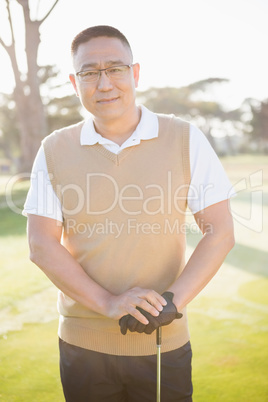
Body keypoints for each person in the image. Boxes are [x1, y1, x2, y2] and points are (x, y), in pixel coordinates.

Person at [23, 25, 235, 402]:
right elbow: (41, 244)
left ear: (134, 73)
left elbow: (219, 232)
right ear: (75, 82)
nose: (104, 84)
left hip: (161, 343)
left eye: (115, 69)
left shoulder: (185, 138)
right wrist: (107, 303)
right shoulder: (54, 149)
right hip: (82, 347)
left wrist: (172, 301)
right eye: (90, 72)